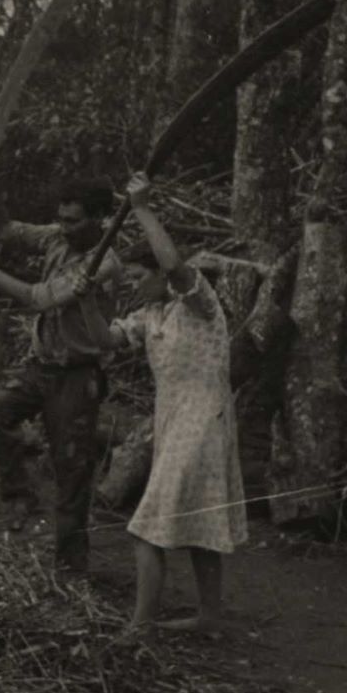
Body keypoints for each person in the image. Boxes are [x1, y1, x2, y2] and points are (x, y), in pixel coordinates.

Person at [81, 172, 246, 640]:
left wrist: (142, 208)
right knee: (196, 525)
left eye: (137, 277)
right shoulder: (148, 316)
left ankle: (141, 626)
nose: (131, 287)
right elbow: (104, 340)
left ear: (155, 273)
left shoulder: (199, 303)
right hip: (177, 425)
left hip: (204, 424)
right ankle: (209, 617)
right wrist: (87, 301)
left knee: (145, 530)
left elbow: (175, 268)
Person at [0, 181, 124, 573]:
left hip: (76, 375)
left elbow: (41, 298)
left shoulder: (105, 262)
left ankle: (70, 563)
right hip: (40, 364)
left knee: (71, 468)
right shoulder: (55, 236)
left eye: (74, 220)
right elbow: (3, 229)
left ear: (99, 219)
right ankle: (21, 493)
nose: (65, 227)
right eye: (61, 219)